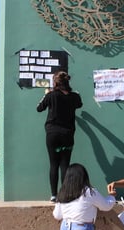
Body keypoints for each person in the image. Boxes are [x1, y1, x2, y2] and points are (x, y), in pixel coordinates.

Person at [52, 163, 116, 230]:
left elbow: (57, 215)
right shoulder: (88, 192)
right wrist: (112, 196)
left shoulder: (62, 192)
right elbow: (106, 206)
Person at [37, 70, 83, 202]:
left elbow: (39, 108)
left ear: (55, 82)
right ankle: (65, 194)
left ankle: (53, 195)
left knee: (53, 164)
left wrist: (46, 94)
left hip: (52, 133)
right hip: (68, 134)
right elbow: (79, 104)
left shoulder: (51, 95)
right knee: (65, 165)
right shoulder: (74, 96)